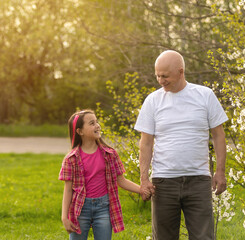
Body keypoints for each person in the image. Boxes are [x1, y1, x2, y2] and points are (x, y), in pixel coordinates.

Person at [135, 50, 228, 240]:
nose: (161, 80)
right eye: (158, 75)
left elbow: (219, 136)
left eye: (165, 76)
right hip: (163, 181)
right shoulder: (153, 101)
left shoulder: (205, 95)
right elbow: (145, 143)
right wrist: (144, 179)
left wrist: (220, 171)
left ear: (180, 71)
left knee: (204, 237)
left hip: (199, 180)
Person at [59, 109, 148, 240]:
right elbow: (68, 190)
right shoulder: (71, 159)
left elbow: (121, 180)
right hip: (80, 209)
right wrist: (64, 217)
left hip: (103, 208)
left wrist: (141, 190)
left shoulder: (110, 154)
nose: (97, 125)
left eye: (96, 122)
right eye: (91, 123)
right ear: (80, 131)